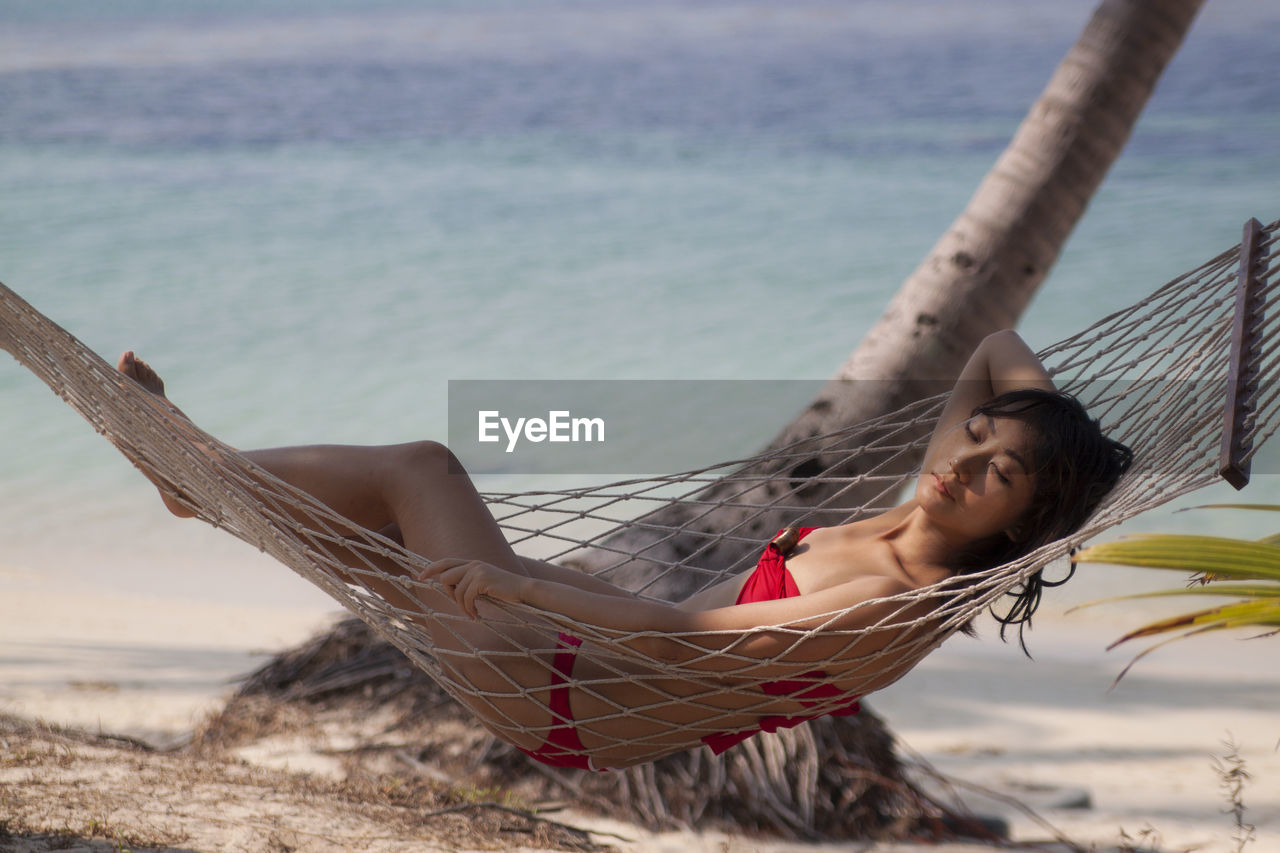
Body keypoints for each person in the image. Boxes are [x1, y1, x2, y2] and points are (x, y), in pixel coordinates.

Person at [115, 330, 1132, 770]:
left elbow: (675, 636)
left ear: (1017, 525)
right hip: (566, 651)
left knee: (420, 470)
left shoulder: (888, 599)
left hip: (562, 687)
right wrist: (1062, 446)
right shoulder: (920, 508)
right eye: (976, 435)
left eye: (997, 473)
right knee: (372, 547)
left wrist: (513, 580)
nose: (960, 461)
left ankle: (191, 467)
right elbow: (994, 342)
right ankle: (194, 486)